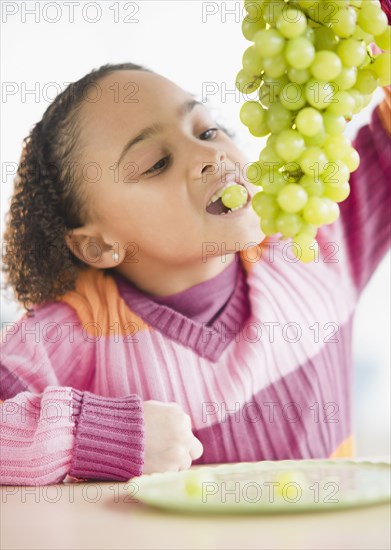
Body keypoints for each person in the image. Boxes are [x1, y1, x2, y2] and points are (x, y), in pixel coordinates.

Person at [0, 62, 390, 486]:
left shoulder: (312, 244)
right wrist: (98, 437)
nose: (210, 155)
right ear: (98, 244)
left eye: (206, 131)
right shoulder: (73, 332)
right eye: (157, 163)